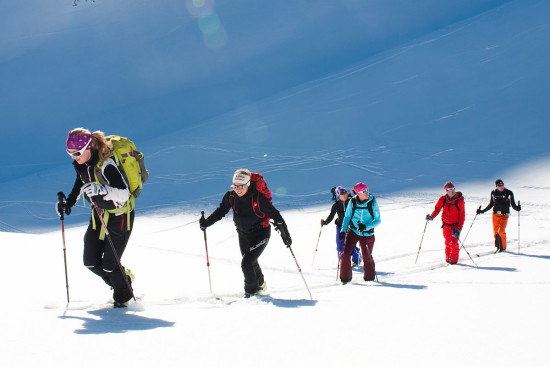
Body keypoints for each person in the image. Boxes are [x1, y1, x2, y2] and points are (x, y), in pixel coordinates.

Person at [56, 128, 135, 308]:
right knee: (90, 261)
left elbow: (124, 194)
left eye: (76, 153)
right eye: (69, 153)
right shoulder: (83, 164)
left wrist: (102, 190)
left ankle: (123, 299)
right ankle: (123, 280)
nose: (73, 157)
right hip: (99, 214)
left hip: (120, 216)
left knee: (109, 265)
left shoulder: (106, 164)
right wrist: (69, 203)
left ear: (88, 147)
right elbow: (81, 181)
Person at [199, 169, 292, 297]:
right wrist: (207, 222)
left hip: (261, 233)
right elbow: (221, 211)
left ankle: (251, 292)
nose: (238, 189)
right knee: (250, 261)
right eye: (235, 186)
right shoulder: (230, 196)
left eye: (241, 186)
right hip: (242, 233)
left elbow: (275, 215)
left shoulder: (258, 198)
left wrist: (285, 234)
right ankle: (260, 284)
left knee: (246, 263)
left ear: (247, 184)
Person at [338, 182, 381, 283]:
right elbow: (347, 217)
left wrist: (366, 226)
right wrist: (343, 231)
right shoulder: (352, 202)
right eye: (364, 191)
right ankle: (345, 279)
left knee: (367, 257)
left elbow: (378, 220)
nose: (367, 193)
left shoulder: (372, 202)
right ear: (358, 193)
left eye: (367, 190)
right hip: (353, 230)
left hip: (367, 233)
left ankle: (369, 279)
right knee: (345, 254)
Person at [476, 179, 521, 252]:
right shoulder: (493, 193)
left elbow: (513, 204)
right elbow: (491, 204)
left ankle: (503, 248)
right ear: (496, 186)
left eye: (502, 185)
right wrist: (482, 211)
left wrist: (517, 208)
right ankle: (498, 247)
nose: (501, 187)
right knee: (496, 231)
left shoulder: (509, 193)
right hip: (496, 214)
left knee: (501, 231)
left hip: (504, 215)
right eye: (499, 185)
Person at [426, 181, 465, 264]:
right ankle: (448, 259)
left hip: (455, 227)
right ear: (447, 190)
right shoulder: (443, 199)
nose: (453, 190)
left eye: (453, 188)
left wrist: (459, 229)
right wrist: (431, 217)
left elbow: (462, 217)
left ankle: (453, 262)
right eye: (451, 189)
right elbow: (437, 209)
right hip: (446, 225)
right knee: (447, 242)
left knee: (454, 244)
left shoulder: (460, 201)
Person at [321, 186, 362, 266]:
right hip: (340, 227)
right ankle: (342, 263)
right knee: (340, 245)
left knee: (351, 245)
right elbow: (331, 216)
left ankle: (357, 260)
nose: (345, 195)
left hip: (351, 227)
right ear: (338, 195)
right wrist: (325, 222)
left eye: (345, 193)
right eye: (342, 193)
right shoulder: (336, 205)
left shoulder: (351, 201)